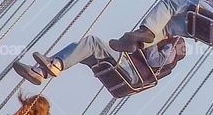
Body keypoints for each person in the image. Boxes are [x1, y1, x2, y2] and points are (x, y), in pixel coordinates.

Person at [13, 35, 186, 87]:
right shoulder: (166, 41)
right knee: (80, 48)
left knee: (92, 42)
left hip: (132, 71)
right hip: (128, 65)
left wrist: (153, 40)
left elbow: (155, 60)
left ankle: (53, 66)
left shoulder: (173, 46)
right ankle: (41, 71)